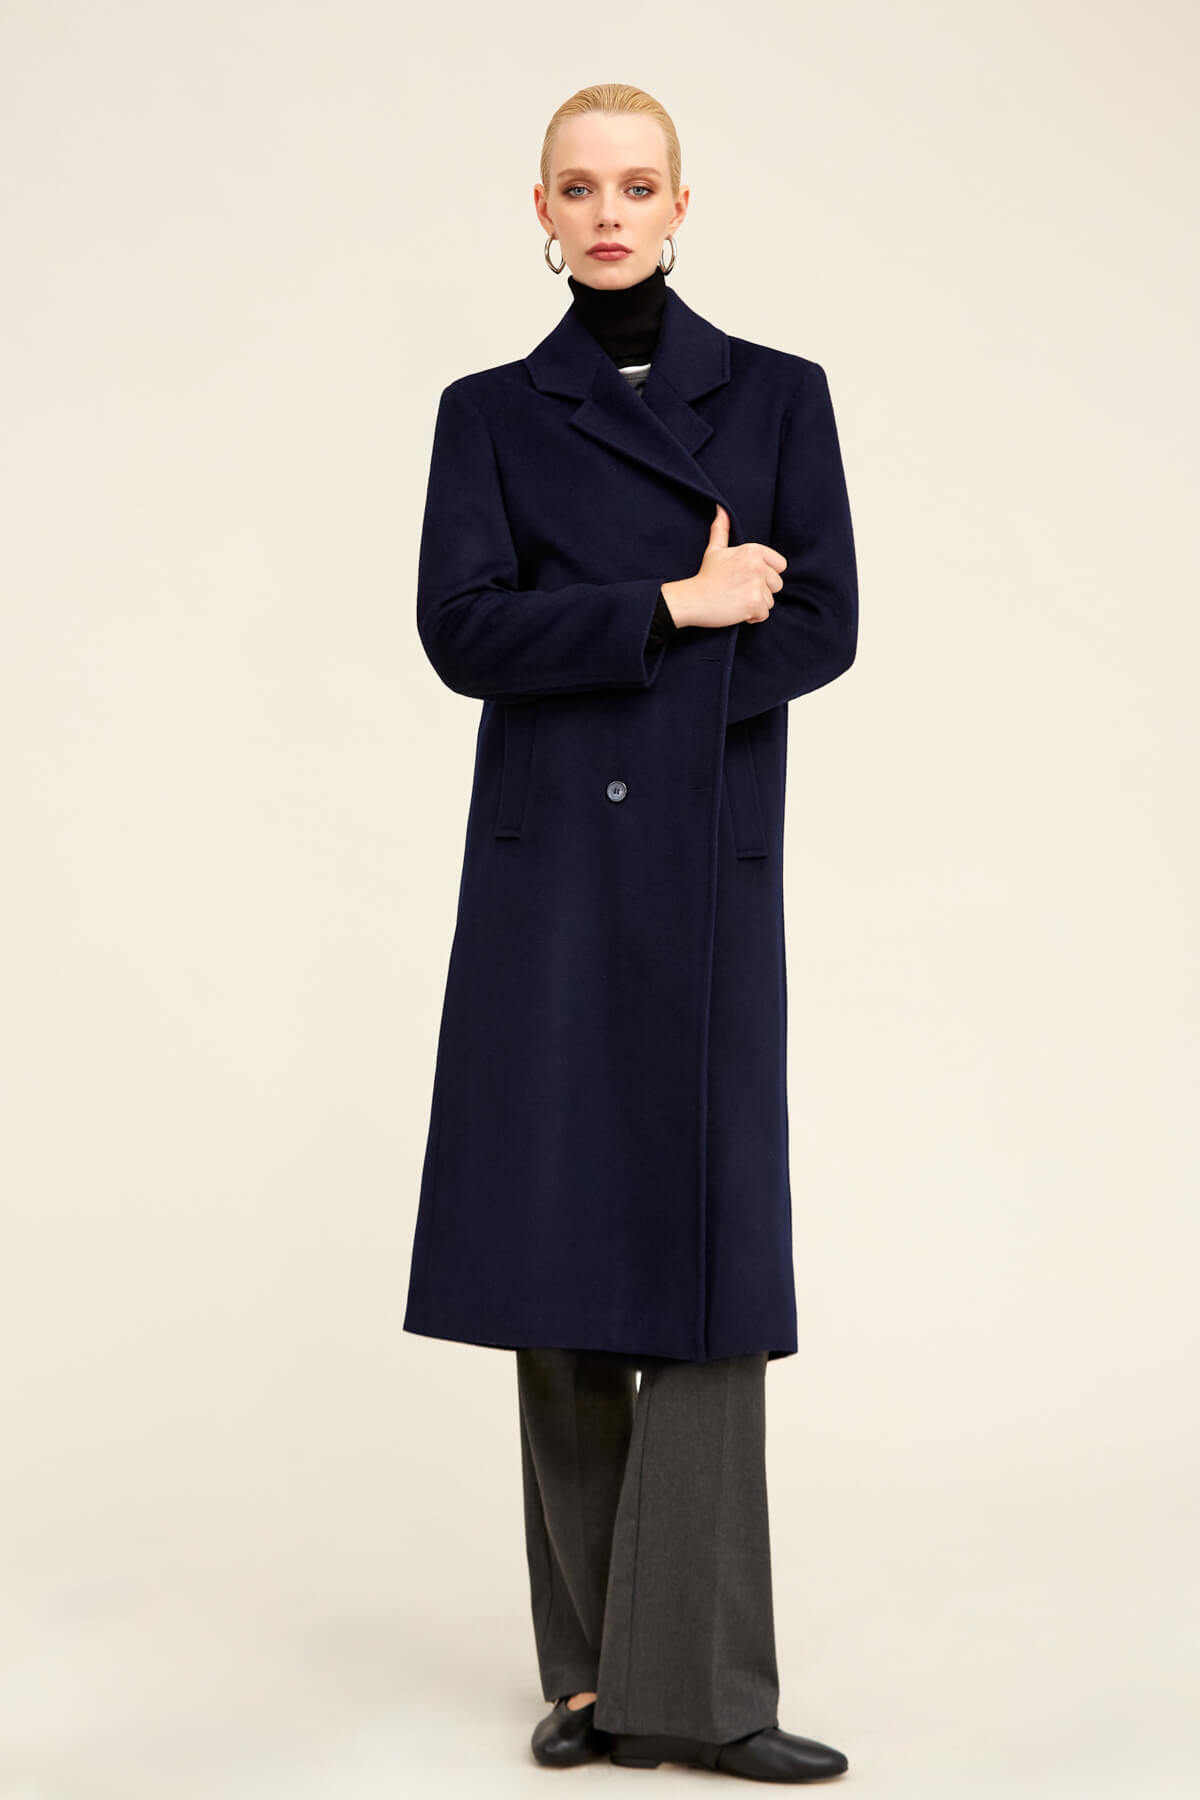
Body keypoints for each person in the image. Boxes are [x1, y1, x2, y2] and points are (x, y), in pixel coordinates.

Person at [403, 82, 858, 1782]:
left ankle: (707, 1690)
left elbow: (824, 621)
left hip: (706, 866)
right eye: (581, 187)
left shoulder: (781, 396)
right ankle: (594, 1680)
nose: (610, 213)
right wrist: (678, 602)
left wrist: (649, 664)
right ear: (541, 207)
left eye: (639, 185)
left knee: (717, 1256)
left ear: (681, 204)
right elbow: (462, 634)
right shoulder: (488, 413)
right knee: (562, 1249)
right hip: (550, 877)